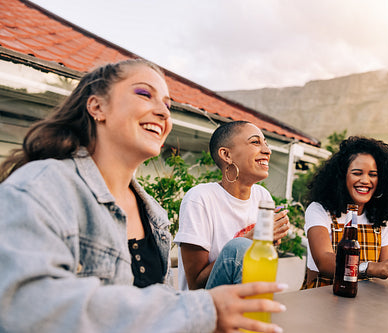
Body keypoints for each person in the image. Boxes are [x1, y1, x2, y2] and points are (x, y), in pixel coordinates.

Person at [0, 59, 287, 333]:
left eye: (167, 104)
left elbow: (160, 298)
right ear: (97, 106)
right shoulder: (43, 186)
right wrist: (201, 311)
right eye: (144, 94)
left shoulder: (153, 214)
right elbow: (25, 309)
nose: (163, 112)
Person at [174, 121, 290, 290]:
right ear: (226, 155)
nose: (267, 150)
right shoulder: (200, 198)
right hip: (207, 306)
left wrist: (270, 240)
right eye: (255, 142)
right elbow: (196, 285)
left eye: (266, 143)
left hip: (250, 297)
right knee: (238, 247)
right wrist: (253, 238)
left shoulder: (262, 197)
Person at [303, 136, 388, 289]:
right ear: (341, 177)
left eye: (373, 174)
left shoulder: (380, 218)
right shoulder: (319, 209)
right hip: (321, 298)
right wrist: (370, 268)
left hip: (364, 302)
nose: (365, 180)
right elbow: (323, 261)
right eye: (357, 173)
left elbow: (385, 268)